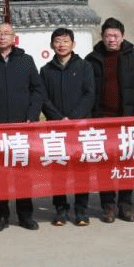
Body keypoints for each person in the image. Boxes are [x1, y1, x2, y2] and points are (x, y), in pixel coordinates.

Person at [0, 22, 45, 233]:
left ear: (14, 38)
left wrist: (32, 116)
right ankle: (0, 216)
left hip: (23, 127)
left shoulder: (25, 61)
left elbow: (37, 90)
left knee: (23, 174)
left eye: (6, 33)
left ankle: (25, 215)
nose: (2, 37)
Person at [85, 17, 134, 223]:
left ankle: (125, 204)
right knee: (105, 164)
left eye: (115, 36)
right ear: (102, 37)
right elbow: (88, 90)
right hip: (102, 120)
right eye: (108, 36)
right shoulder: (92, 58)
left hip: (127, 119)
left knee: (127, 163)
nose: (111, 39)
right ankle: (108, 205)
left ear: (122, 37)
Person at [40, 27, 96, 226]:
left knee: (81, 169)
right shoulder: (46, 70)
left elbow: (89, 94)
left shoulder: (84, 66)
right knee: (58, 170)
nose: (61, 45)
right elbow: (43, 98)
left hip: (80, 127)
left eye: (65, 41)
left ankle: (81, 209)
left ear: (73, 44)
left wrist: (72, 118)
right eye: (57, 41)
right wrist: (58, 118)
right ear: (51, 45)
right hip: (56, 128)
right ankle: (60, 209)